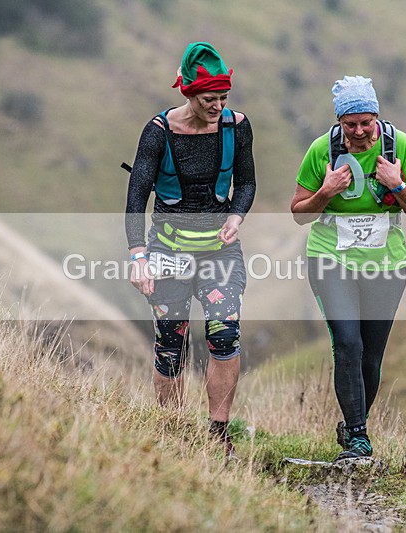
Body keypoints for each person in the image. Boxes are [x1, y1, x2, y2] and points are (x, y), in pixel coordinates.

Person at [290, 75, 406, 461]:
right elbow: (299, 213)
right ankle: (357, 438)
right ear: (338, 122)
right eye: (349, 125)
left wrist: (398, 185)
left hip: (385, 264)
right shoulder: (322, 150)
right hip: (330, 259)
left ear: (376, 117)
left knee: (371, 356)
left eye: (365, 123)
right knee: (348, 345)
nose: (357, 132)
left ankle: (354, 425)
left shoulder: (398, 145)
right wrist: (327, 191)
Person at [125, 42, 255, 456]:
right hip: (166, 251)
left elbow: (247, 182)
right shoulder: (159, 132)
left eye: (222, 97)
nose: (217, 106)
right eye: (208, 99)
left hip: (218, 252)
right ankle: (172, 433)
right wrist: (137, 255)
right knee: (170, 341)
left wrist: (236, 215)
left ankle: (218, 435)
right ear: (187, 93)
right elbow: (136, 197)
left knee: (224, 334)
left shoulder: (237, 126)